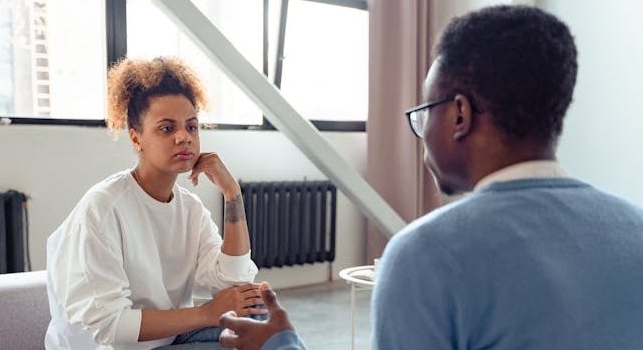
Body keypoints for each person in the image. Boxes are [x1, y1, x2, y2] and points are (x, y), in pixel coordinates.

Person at [219, 5, 643, 349]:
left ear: (460, 114)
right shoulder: (635, 227)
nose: (421, 132)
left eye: (425, 112)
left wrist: (281, 346)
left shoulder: (426, 256)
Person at [45, 56, 266, 350]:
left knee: (259, 318)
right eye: (166, 128)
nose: (183, 138)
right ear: (136, 139)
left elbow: (234, 281)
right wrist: (206, 313)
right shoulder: (103, 207)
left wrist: (232, 194)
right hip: (111, 347)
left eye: (191, 127)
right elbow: (111, 327)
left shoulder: (189, 208)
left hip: (168, 340)